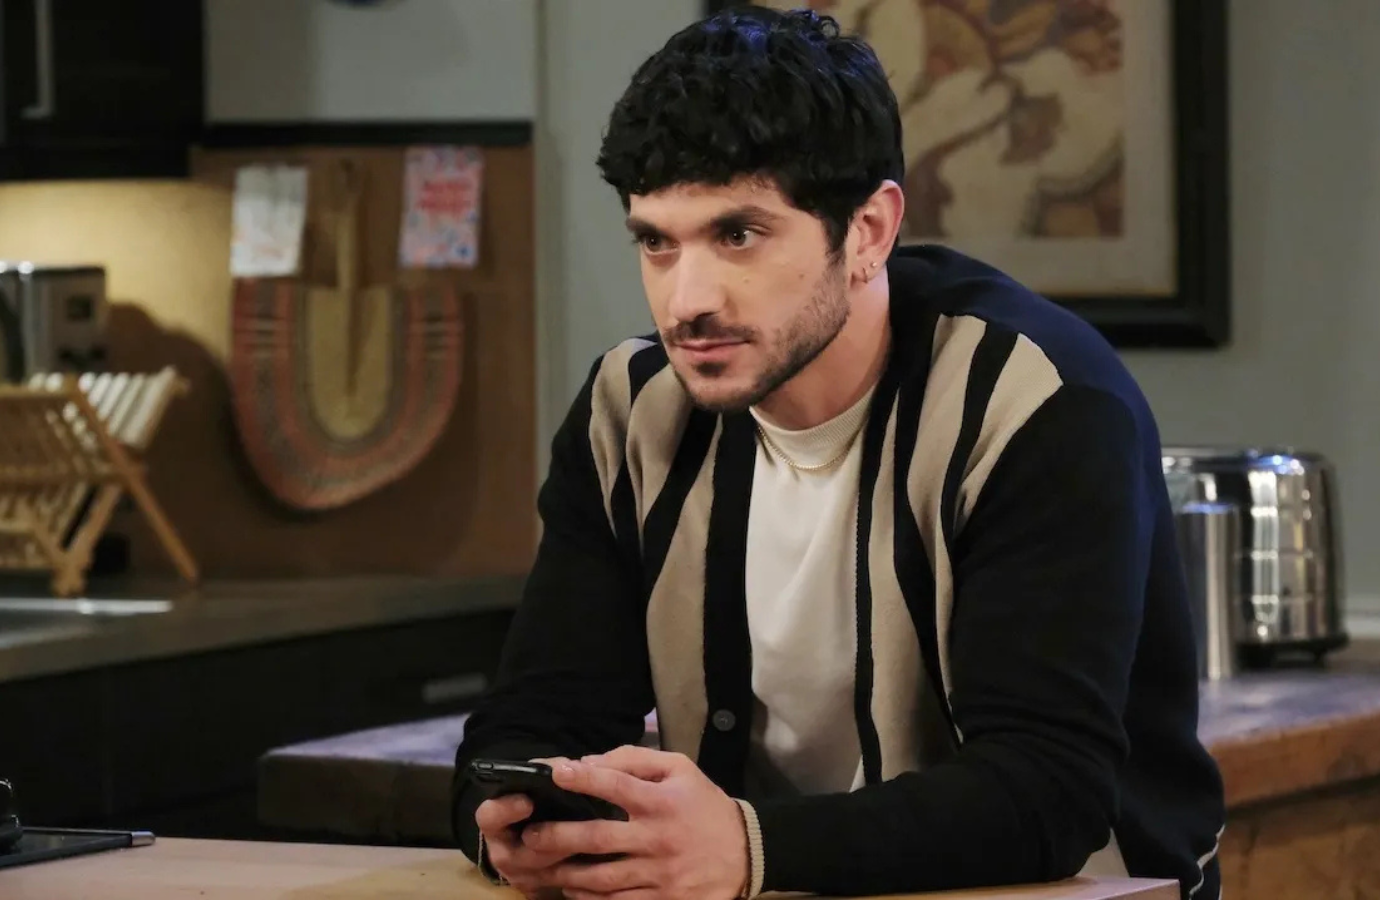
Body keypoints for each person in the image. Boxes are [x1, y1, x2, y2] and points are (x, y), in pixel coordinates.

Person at [452, 6, 1225, 899]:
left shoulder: (1031, 402)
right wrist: (510, 825)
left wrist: (751, 847)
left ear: (868, 232)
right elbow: (534, 718)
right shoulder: (633, 411)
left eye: (737, 235)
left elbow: (1047, 792)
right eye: (656, 242)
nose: (686, 299)